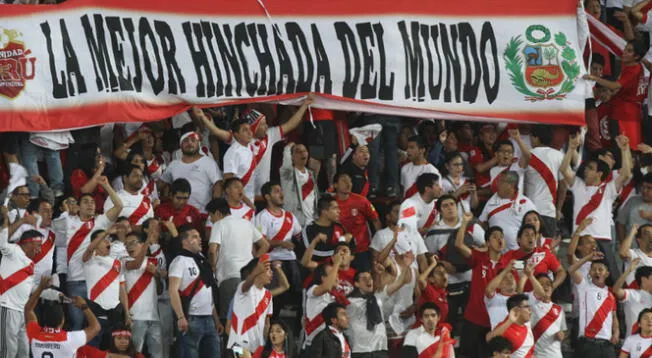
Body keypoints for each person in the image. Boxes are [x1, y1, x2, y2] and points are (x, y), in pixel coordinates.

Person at [561, 133, 631, 278]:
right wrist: (571, 148)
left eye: (590, 168)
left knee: (610, 279)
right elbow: (563, 169)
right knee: (580, 277)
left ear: (599, 173)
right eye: (586, 168)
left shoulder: (609, 188)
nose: (586, 170)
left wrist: (625, 150)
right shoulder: (578, 185)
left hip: (602, 239)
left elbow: (625, 174)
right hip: (580, 240)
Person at [63, 177, 124, 330]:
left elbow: (119, 205)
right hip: (75, 280)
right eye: (85, 202)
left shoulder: (100, 222)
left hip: (95, 282)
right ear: (77, 206)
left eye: (92, 202)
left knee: (94, 326)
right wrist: (65, 211)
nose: (90, 204)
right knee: (77, 324)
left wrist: (106, 185)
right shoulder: (67, 221)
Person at [207, 198, 269, 319]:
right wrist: (252, 263)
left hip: (229, 276)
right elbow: (265, 245)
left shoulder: (219, 224)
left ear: (218, 213)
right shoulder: (247, 223)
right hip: (250, 277)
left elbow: (212, 250)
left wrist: (213, 267)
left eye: (211, 216)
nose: (210, 220)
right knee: (248, 317)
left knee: (230, 319)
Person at [169, 226, 223, 358]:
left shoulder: (202, 261)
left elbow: (208, 291)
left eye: (199, 236)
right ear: (185, 242)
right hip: (191, 318)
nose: (199, 239)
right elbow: (173, 290)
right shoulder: (179, 261)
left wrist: (216, 320)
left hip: (209, 319)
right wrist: (181, 317)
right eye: (194, 237)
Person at [456, 212, 504, 358]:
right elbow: (458, 244)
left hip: (495, 321)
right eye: (494, 237)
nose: (499, 239)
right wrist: (464, 222)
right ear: (488, 243)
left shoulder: (508, 264)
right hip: (474, 318)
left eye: (501, 237)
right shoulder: (479, 258)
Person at [584, 40, 648, 150]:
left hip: (623, 114)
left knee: (623, 150)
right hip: (631, 113)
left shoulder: (633, 69)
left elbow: (615, 86)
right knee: (629, 150)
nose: (624, 52)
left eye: (629, 51)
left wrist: (595, 78)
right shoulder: (638, 67)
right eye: (625, 49)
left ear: (636, 56)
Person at [254, 181, 303, 317]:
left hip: (290, 259)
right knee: (276, 298)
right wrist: (280, 243)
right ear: (267, 196)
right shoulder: (262, 217)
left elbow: (299, 236)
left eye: (281, 191)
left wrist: (296, 245)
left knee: (299, 292)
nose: (281, 194)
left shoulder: (290, 216)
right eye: (276, 191)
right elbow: (260, 243)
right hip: (272, 260)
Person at [0, 212, 43, 358]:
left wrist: (51, 292)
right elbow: (2, 243)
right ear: (28, 242)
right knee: (8, 352)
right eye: (38, 245)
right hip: (7, 307)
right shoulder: (13, 251)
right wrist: (7, 220)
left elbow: (30, 291)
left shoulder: (31, 265)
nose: (40, 249)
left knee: (24, 353)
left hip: (22, 313)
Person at [25, 276, 101, 358]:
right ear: (62, 320)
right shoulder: (70, 339)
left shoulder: (34, 334)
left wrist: (40, 288)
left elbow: (28, 309)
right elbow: (96, 327)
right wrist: (84, 306)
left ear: (43, 319)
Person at [346, 267, 411, 358]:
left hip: (380, 348)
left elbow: (397, 284)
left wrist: (406, 269)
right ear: (356, 284)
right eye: (364, 279)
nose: (369, 280)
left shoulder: (377, 298)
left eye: (370, 278)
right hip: (361, 350)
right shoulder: (349, 303)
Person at [82, 230, 130, 348]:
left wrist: (127, 314)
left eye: (108, 239)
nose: (108, 242)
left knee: (115, 349)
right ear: (95, 242)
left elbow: (122, 290)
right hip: (95, 311)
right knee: (93, 350)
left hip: (115, 313)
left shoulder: (117, 263)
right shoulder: (89, 260)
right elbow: (89, 250)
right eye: (103, 239)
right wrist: (106, 231)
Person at [568, 251, 618, 358]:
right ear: (589, 273)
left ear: (607, 274)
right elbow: (571, 270)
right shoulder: (584, 286)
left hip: (607, 345)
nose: (597, 272)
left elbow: (614, 316)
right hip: (588, 343)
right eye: (594, 269)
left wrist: (616, 332)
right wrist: (588, 257)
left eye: (600, 269)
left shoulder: (610, 295)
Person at [160, 131, 222, 213]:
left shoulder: (208, 162)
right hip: (179, 214)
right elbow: (160, 184)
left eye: (193, 140)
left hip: (203, 213)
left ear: (199, 144)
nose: (189, 143)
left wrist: (214, 208)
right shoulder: (174, 164)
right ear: (180, 145)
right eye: (186, 141)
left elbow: (218, 184)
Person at [123, 232, 163, 358]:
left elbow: (160, 290)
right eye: (127, 244)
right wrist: (148, 242)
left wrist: (156, 274)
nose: (129, 247)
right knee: (135, 353)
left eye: (133, 242)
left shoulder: (153, 262)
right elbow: (137, 264)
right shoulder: (124, 261)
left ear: (141, 244)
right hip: (135, 316)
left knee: (157, 354)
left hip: (154, 316)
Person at [332, 172, 381, 271]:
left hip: (361, 250)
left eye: (350, 181)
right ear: (335, 185)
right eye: (344, 180)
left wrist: (379, 244)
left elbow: (376, 221)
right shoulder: (331, 204)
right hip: (340, 252)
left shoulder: (361, 201)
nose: (348, 183)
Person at [520, 125, 564, 237]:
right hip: (549, 211)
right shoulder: (559, 156)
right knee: (547, 250)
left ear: (536, 138)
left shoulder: (528, 155)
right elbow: (564, 186)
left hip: (529, 211)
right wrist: (558, 209)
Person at [498, 224, 566, 292]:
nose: (530, 237)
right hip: (517, 299)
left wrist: (551, 287)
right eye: (526, 235)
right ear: (518, 239)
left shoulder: (543, 254)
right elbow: (499, 275)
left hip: (540, 298)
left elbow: (561, 271)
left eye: (533, 235)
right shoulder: (508, 256)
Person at [479, 171, 537, 250]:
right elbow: (481, 223)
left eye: (501, 181)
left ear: (511, 185)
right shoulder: (492, 201)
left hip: (519, 253)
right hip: (497, 254)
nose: (497, 184)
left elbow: (536, 229)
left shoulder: (526, 204)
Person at [227, 258, 274, 353]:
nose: (272, 272)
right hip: (239, 347)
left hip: (257, 348)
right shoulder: (242, 291)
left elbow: (266, 324)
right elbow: (228, 327)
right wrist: (239, 351)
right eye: (267, 269)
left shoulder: (268, 295)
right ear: (257, 270)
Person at [369, 200, 427, 273]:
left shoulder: (415, 234)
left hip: (413, 280)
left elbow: (422, 260)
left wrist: (424, 280)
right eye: (397, 212)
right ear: (388, 217)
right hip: (391, 281)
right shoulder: (380, 235)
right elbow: (375, 262)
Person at [521, 269, 567, 358]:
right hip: (537, 355)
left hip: (556, 355)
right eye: (541, 284)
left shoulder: (559, 309)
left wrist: (561, 335)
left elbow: (562, 331)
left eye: (548, 284)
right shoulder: (530, 306)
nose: (545, 287)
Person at [280, 142, 319, 226]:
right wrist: (288, 147)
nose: (302, 153)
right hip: (295, 221)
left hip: (311, 221)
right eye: (298, 151)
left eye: (304, 151)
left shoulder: (311, 174)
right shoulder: (287, 174)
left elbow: (315, 198)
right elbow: (286, 157)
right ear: (292, 157)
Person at [103, 165, 154, 230]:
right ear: (125, 178)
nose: (139, 179)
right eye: (135, 176)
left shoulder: (147, 200)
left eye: (141, 176)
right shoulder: (114, 198)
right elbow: (107, 223)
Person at [302, 197, 351, 263]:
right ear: (324, 211)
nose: (339, 211)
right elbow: (313, 252)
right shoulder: (309, 229)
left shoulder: (339, 226)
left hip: (338, 266)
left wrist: (350, 238)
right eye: (335, 208)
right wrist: (338, 249)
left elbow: (347, 248)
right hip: (317, 269)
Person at [486, 294, 535, 358]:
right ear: (516, 309)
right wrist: (510, 321)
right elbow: (488, 339)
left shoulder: (527, 326)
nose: (530, 310)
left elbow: (530, 353)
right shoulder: (505, 326)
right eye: (526, 307)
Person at [223, 118, 258, 205]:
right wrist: (247, 201)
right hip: (237, 201)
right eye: (245, 130)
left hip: (250, 198)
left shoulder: (250, 146)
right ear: (236, 135)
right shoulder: (233, 152)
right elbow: (228, 180)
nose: (250, 132)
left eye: (249, 129)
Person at [613, 261, 652, 336]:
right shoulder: (632, 294)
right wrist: (628, 270)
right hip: (633, 341)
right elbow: (616, 290)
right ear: (644, 279)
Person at [485, 261, 518, 329]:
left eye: (511, 277)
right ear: (498, 285)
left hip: (520, 336)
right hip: (501, 337)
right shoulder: (494, 299)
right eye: (504, 278)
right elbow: (489, 290)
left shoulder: (522, 298)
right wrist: (506, 270)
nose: (509, 280)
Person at [617, 173, 652, 238]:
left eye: (649, 188)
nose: (644, 190)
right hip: (630, 246)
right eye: (643, 187)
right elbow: (621, 224)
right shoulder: (632, 201)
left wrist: (649, 216)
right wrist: (623, 243)